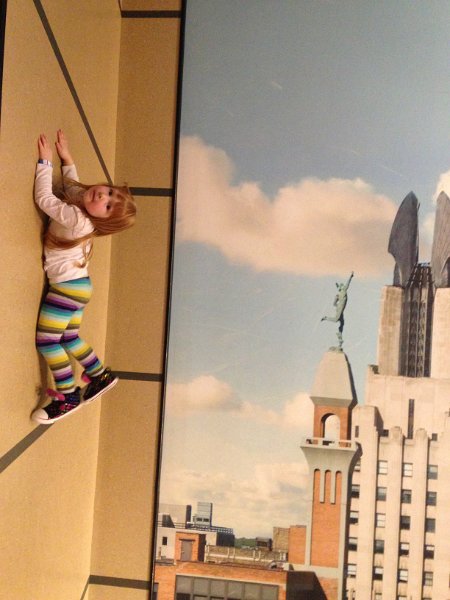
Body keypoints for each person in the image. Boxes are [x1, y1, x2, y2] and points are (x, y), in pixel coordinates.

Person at [32, 130, 136, 424]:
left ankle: (66, 396)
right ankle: (99, 375)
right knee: (69, 337)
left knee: (48, 341)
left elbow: (45, 198)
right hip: (78, 287)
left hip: (67, 288)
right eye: (110, 192)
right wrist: (67, 160)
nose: (103, 196)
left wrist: (45, 163)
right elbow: (75, 192)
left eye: (108, 205)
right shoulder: (84, 211)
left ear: (104, 222)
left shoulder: (79, 220)